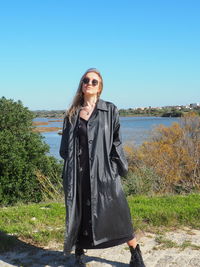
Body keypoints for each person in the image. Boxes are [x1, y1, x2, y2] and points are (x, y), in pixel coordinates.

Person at [59, 68, 146, 267]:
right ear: (81, 85)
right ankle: (79, 254)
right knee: (79, 214)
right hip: (78, 174)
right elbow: (65, 148)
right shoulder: (72, 114)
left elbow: (116, 142)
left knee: (119, 213)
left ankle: (135, 253)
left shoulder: (110, 110)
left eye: (94, 81)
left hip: (104, 172)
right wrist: (72, 164)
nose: (89, 83)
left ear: (100, 87)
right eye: (86, 80)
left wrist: (115, 168)